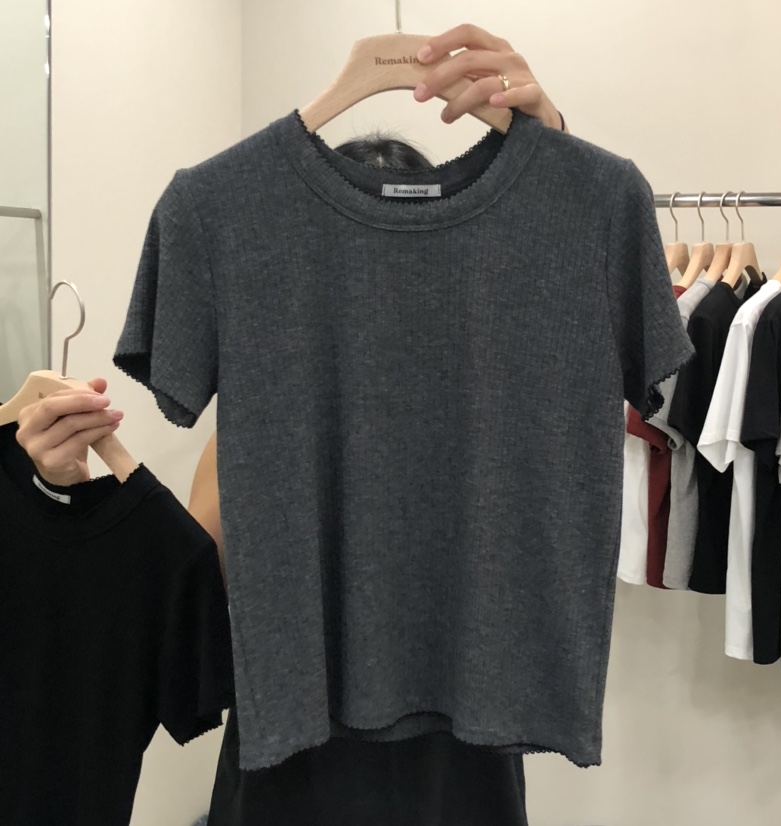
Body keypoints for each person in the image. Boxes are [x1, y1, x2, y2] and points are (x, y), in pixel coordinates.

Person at [15, 24, 567, 825]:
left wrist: (554, 162)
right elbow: (197, 615)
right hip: (293, 777)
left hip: (461, 776)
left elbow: (567, 322)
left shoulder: (501, 408)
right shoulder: (260, 429)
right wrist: (70, 500)